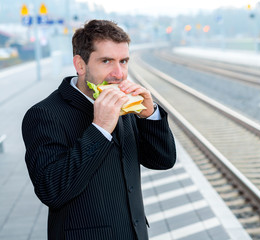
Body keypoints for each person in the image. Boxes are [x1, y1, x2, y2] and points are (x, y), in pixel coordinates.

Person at [22, 19, 176, 240]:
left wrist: (150, 115)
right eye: (106, 61)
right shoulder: (44, 115)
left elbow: (163, 161)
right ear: (80, 64)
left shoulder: (123, 105)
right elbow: (52, 191)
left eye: (123, 61)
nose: (119, 73)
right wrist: (100, 128)